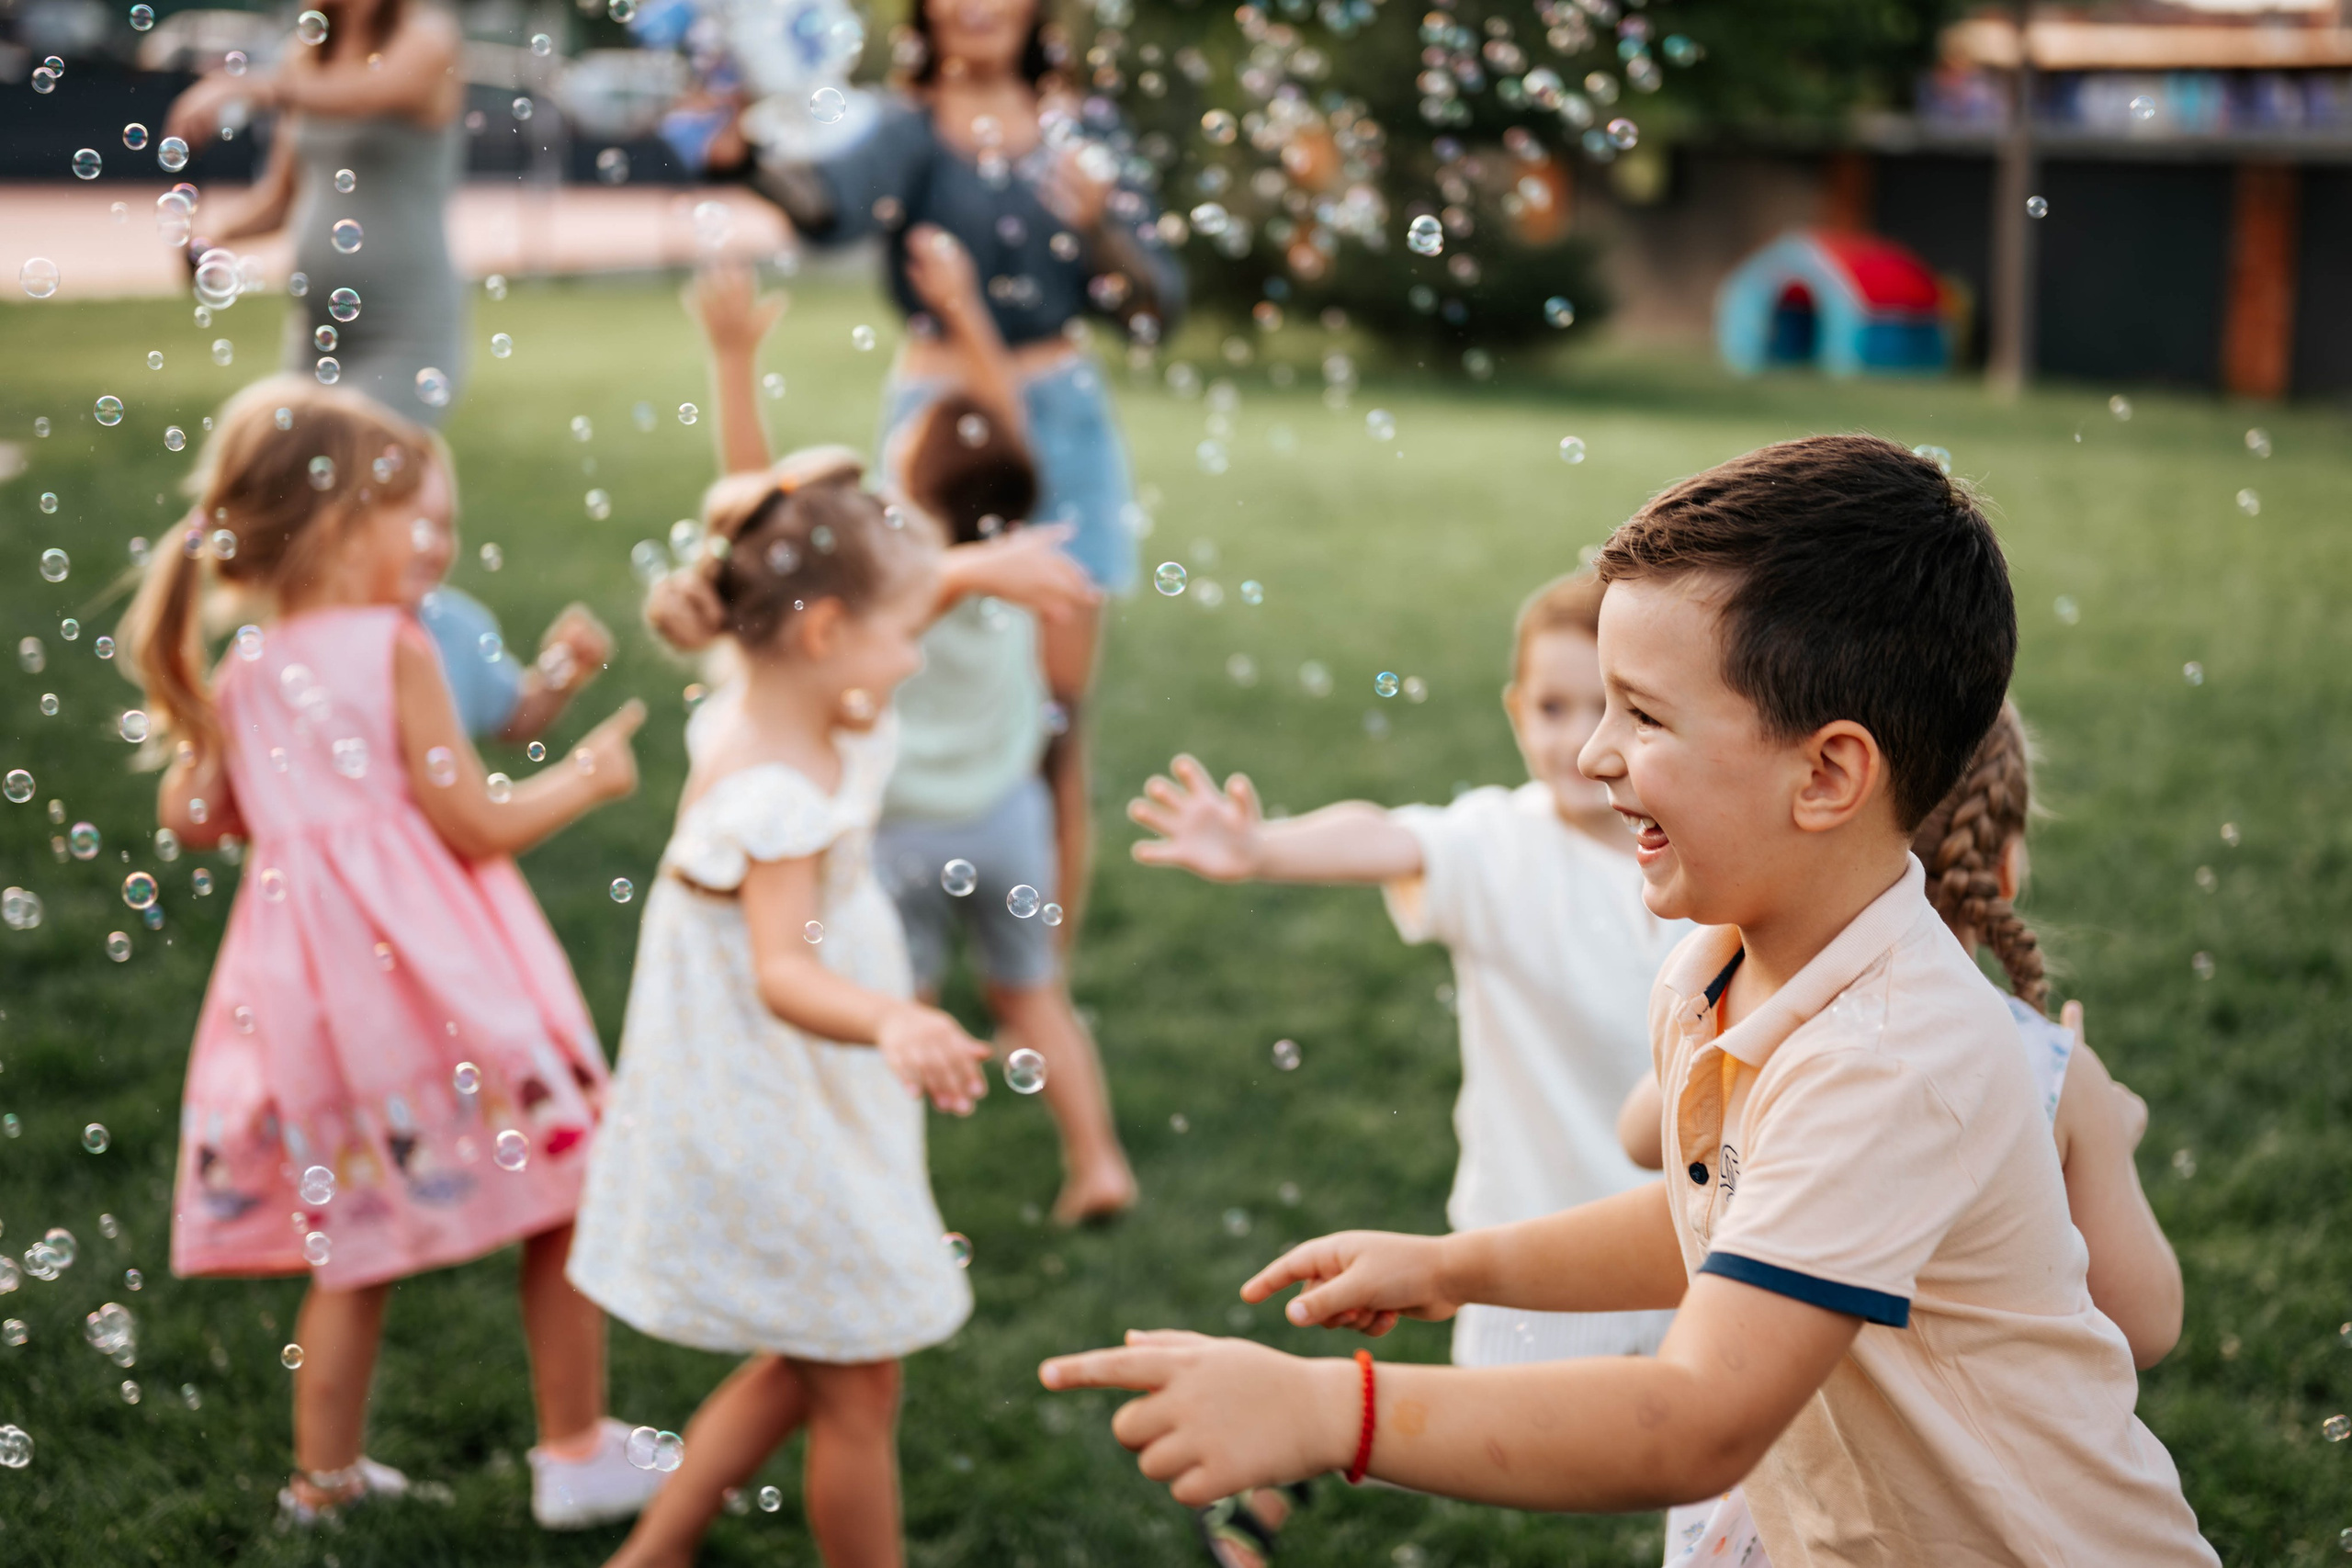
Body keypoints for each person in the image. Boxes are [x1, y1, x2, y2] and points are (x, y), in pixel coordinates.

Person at [1037, 435, 2221, 1566]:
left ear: (1826, 775)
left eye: (1643, 715)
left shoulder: (1893, 1057)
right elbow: (1718, 1221)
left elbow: (1696, 1416)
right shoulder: (1721, 963)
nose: (1596, 755)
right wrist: (1458, 1267)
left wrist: (1328, 1410)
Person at [121, 378, 662, 1531]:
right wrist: (588, 777)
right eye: (416, 519)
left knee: (351, 1242)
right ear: (328, 526)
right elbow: (474, 826)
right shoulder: (396, 646)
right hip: (439, 986)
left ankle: (323, 1486)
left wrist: (214, 740)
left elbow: (200, 821)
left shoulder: (251, 668)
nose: (440, 544)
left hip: (318, 1006)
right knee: (561, 1193)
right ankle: (574, 1450)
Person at [1127, 570, 1688, 1562]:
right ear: (1516, 713)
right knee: (1495, 1428)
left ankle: (1289, 1454)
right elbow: (1385, 834)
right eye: (1552, 706)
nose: (1576, 738)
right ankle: (1284, 1457)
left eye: (1607, 707)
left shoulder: (1702, 861)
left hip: (1687, 1232)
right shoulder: (1498, 845)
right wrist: (1262, 849)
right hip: (1532, 1221)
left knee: (1705, 1431)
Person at [1617, 700, 2185, 1566]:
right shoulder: (2051, 1069)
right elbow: (2144, 1320)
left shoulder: (1764, 1015)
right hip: (1949, 1508)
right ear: (2005, 862)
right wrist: (2110, 1135)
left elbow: (1639, 1134)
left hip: (1790, 1490)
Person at [566, 450, 992, 1567]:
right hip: (775, 1102)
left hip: (782, 1091)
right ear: (824, 634)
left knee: (818, 1361)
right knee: (857, 1392)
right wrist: (895, 1019)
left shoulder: (762, 703)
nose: (915, 650)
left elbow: (779, 541)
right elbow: (783, 971)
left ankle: (651, 1555)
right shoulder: (771, 788)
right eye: (905, 630)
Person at [711, 0, 1187, 943]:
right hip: (939, 420)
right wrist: (748, 161)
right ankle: (903, 918)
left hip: (1063, 417)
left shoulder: (1081, 135)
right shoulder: (904, 130)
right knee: (908, 660)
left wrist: (1100, 227)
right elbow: (827, 208)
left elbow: (1154, 306)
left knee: (1058, 709)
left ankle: (1039, 957)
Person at [676, 254, 1134, 1224]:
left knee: (897, 1003)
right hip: (1008, 819)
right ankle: (1096, 1161)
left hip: (899, 833)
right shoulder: (1021, 549)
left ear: (908, 493)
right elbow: (1006, 417)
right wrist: (969, 311)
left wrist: (731, 362)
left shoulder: (895, 567)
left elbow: (763, 518)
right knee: (1035, 999)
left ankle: (884, 1182)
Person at [166, 0, 468, 425]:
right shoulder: (307, 51)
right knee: (298, 479)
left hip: (404, 327)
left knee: (367, 477)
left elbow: (366, 93)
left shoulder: (427, 38)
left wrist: (247, 88)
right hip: (317, 332)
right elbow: (282, 198)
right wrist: (213, 239)